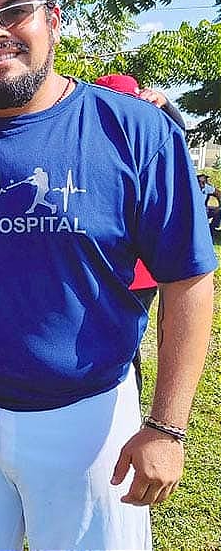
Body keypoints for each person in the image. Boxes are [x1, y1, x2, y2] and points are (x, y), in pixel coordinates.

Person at [0, 0, 216, 550]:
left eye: (14, 10)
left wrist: (167, 427)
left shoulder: (134, 131)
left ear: (52, 20)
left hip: (90, 413)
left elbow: (190, 278)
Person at [93, 73, 184, 393]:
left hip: (140, 275)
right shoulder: (94, 151)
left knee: (124, 343)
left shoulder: (148, 148)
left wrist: (169, 108)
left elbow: (176, 138)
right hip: (110, 269)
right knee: (115, 340)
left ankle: (128, 396)